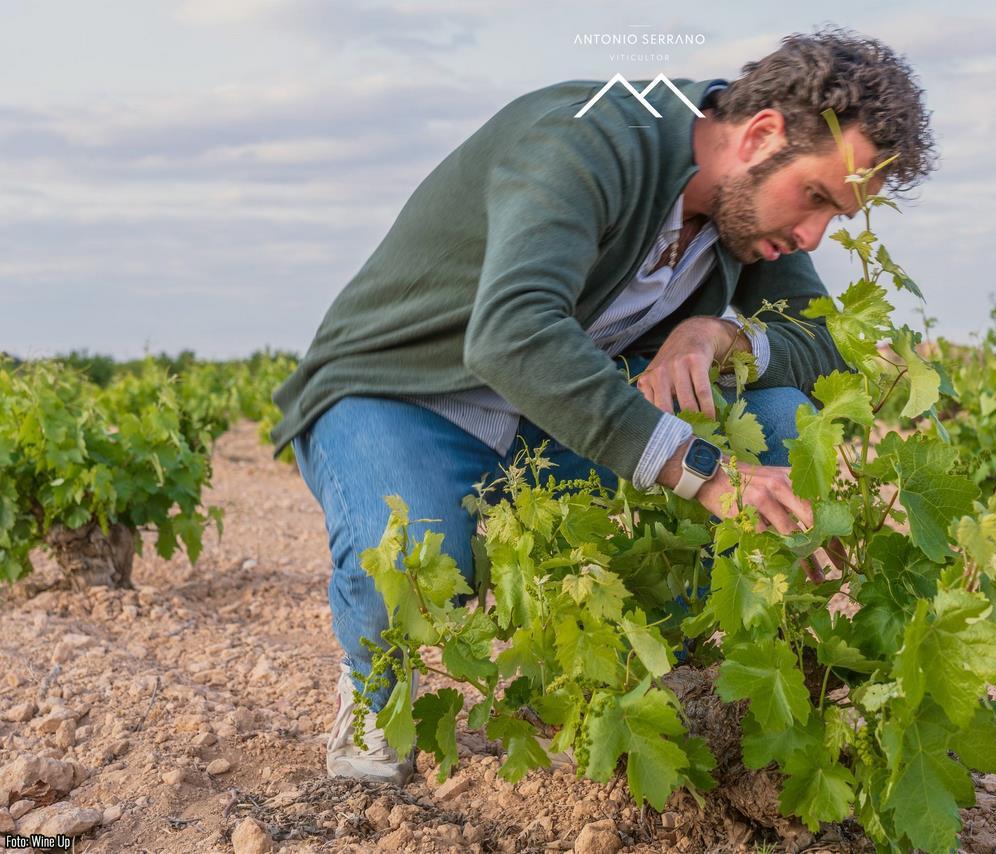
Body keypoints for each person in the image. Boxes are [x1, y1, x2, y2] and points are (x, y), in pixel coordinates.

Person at [270, 26, 935, 784]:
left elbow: (820, 340)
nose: (813, 232)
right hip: (402, 393)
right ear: (761, 133)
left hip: (550, 422)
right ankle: (372, 695)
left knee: (777, 418)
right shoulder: (585, 139)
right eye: (815, 197)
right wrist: (704, 473)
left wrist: (719, 333)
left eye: (835, 215)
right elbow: (513, 333)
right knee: (422, 560)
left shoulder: (747, 214)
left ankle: (663, 684)